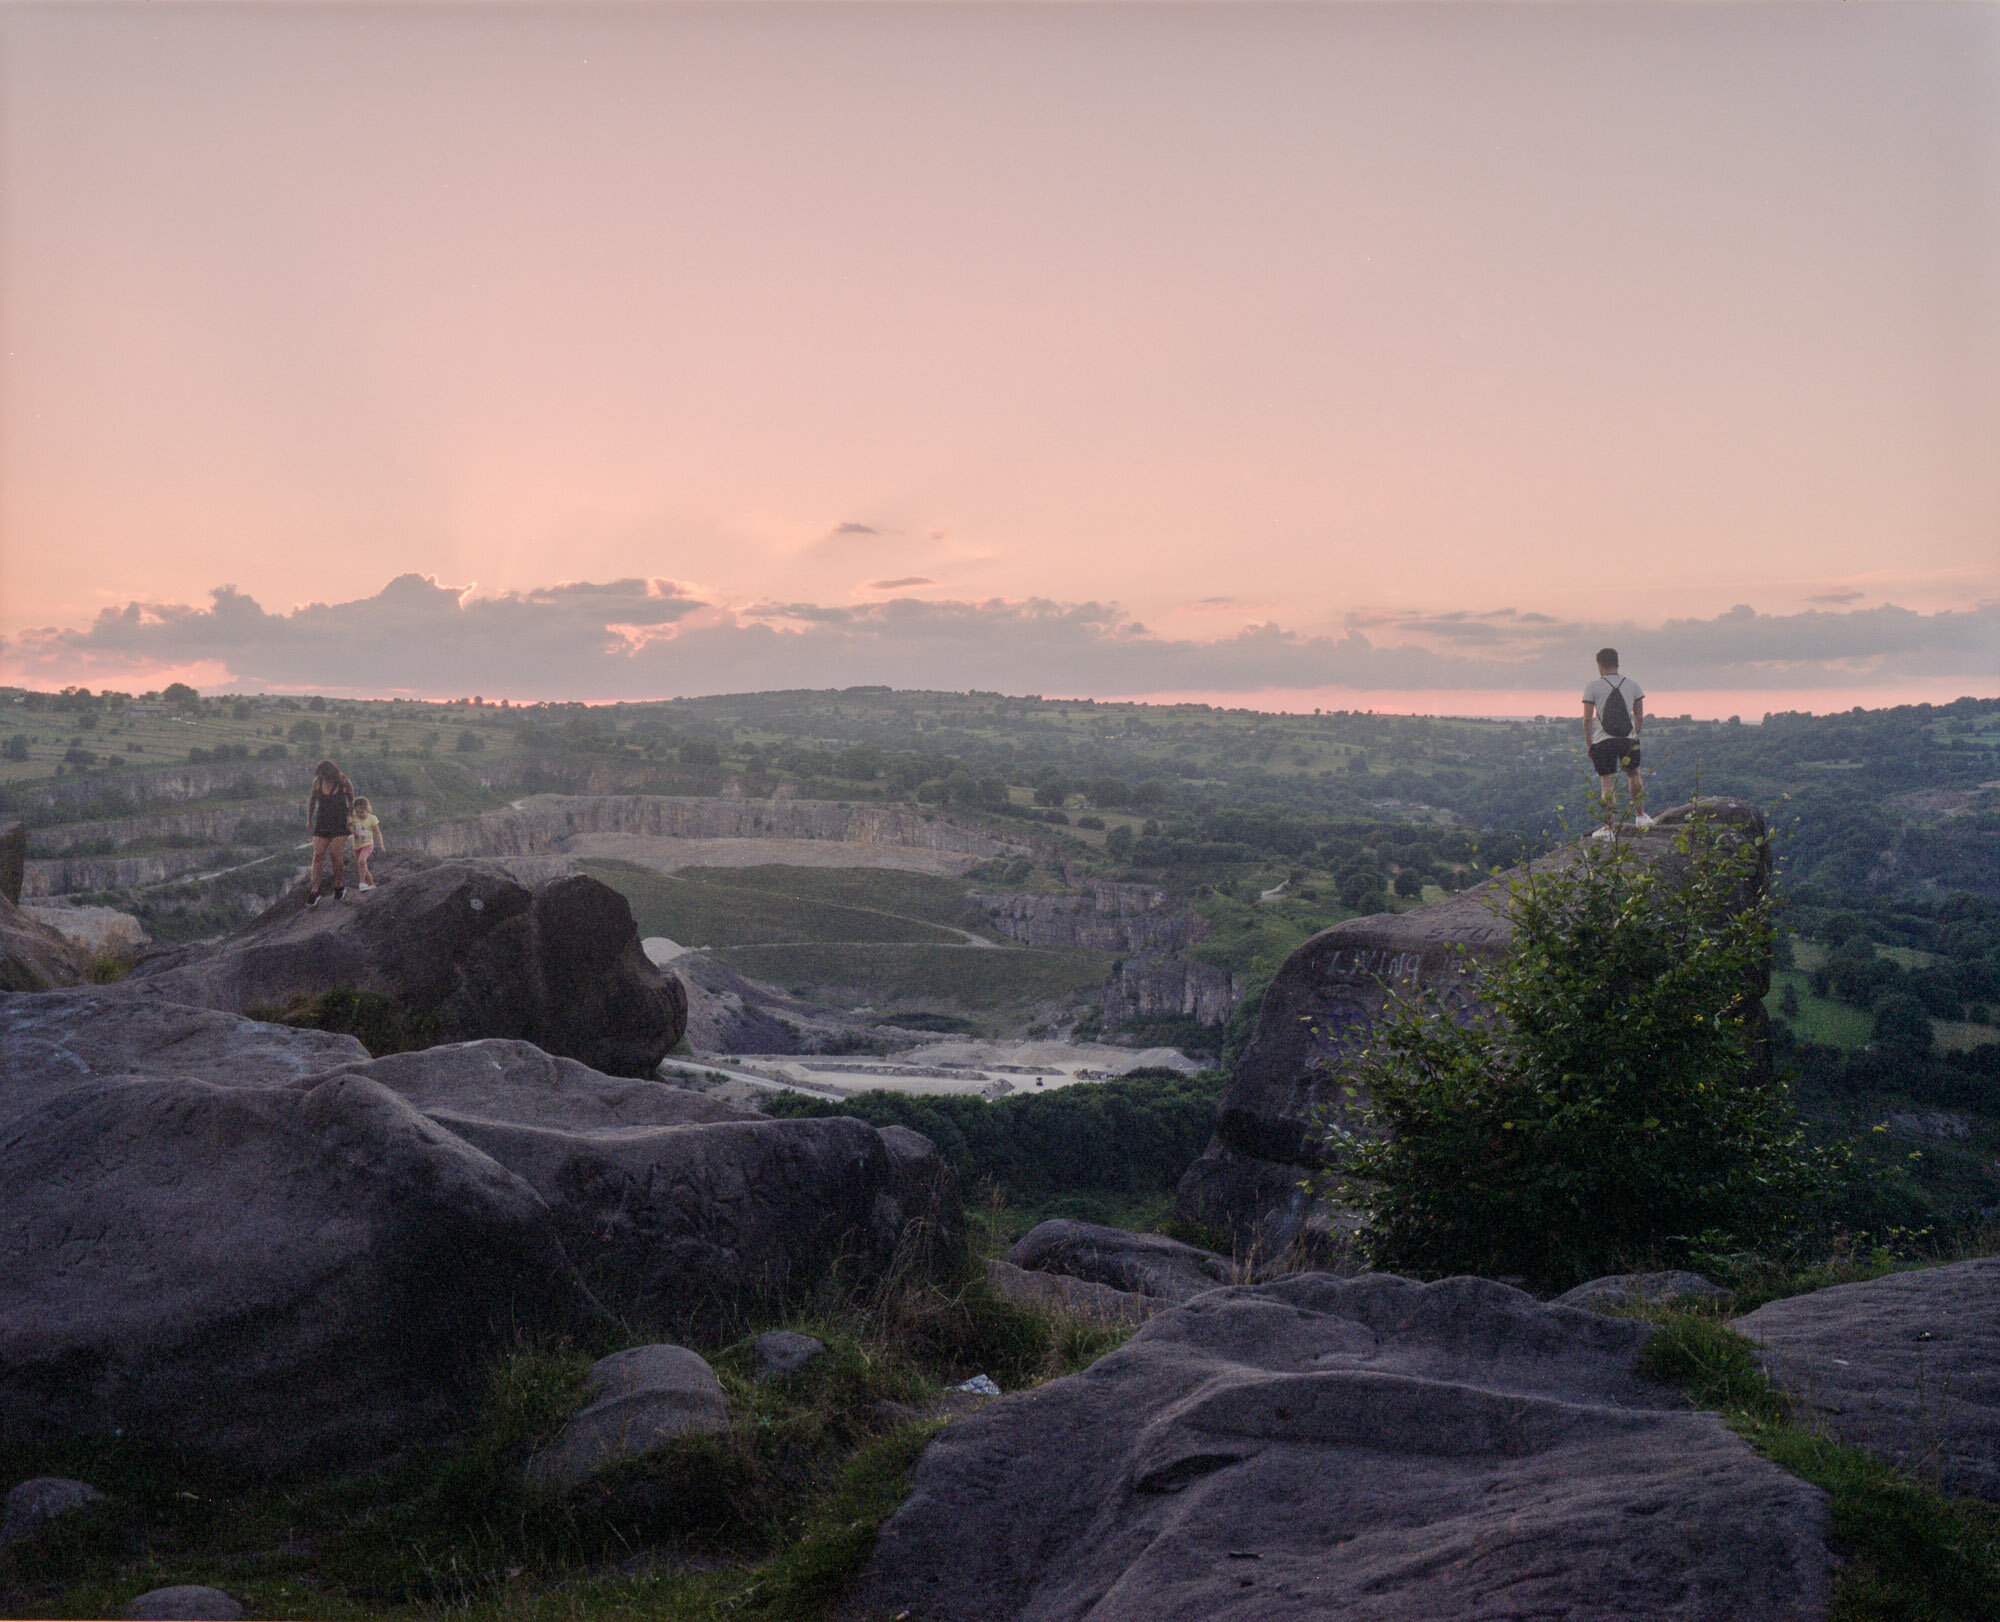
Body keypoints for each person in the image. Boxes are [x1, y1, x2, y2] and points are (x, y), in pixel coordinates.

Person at [1582, 648, 1654, 832]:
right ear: (1617, 663)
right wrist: (1635, 735)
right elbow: (1639, 716)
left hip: (1602, 740)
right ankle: (1640, 817)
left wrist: (1589, 744)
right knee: (1634, 774)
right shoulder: (1633, 685)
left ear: (1599, 665)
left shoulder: (1592, 687)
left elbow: (1587, 719)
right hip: (1627, 738)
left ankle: (1609, 829)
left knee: (1607, 783)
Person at [306, 759, 354, 906]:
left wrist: (349, 816)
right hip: (322, 823)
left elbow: (351, 800)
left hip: (339, 823)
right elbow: (312, 800)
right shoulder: (318, 782)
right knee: (318, 856)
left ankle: (339, 886)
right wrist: (309, 819)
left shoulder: (344, 782)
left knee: (335, 855)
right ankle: (315, 890)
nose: (322, 777)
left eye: (323, 774)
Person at [349, 795, 386, 891]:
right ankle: (372, 885)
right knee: (363, 867)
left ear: (367, 809)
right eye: (357, 812)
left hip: (368, 844)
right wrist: (349, 823)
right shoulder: (354, 817)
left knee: (362, 861)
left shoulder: (372, 818)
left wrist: (381, 845)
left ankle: (362, 883)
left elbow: (377, 832)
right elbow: (350, 830)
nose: (359, 814)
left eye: (362, 812)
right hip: (356, 846)